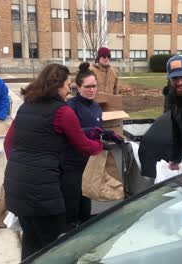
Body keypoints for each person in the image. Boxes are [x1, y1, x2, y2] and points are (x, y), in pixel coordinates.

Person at [3, 64, 103, 261]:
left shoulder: (25, 107)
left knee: (31, 243)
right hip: (43, 194)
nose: (69, 89)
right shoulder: (62, 112)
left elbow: (8, 143)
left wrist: (22, 167)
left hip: (16, 187)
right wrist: (100, 145)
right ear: (56, 85)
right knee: (57, 249)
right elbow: (83, 146)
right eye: (67, 85)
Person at [62, 62, 123, 229]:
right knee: (72, 209)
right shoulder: (70, 107)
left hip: (90, 163)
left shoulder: (96, 107)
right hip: (72, 164)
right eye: (88, 87)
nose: (92, 90)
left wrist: (108, 134)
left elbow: (98, 130)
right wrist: (91, 131)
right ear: (78, 87)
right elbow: (71, 133)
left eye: (94, 86)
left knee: (86, 208)